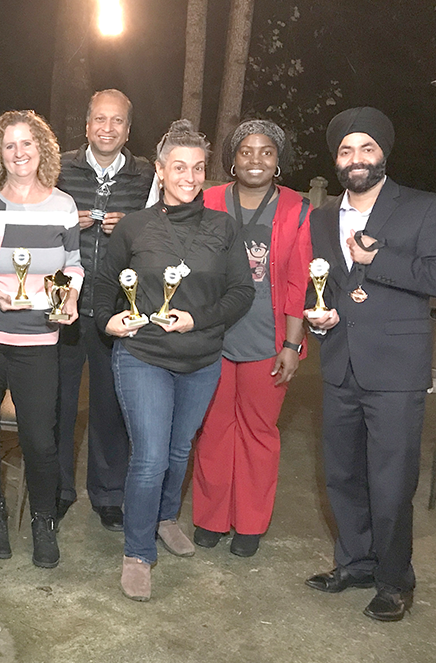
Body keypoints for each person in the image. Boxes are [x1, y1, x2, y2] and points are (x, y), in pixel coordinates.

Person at [94, 119, 254, 601]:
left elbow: (242, 291)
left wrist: (197, 319)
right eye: (178, 167)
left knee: (180, 449)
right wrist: (108, 320)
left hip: (201, 358)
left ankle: (165, 518)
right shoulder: (136, 226)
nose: (189, 176)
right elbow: (105, 284)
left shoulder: (223, 227)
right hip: (143, 354)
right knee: (151, 456)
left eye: (198, 168)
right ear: (160, 171)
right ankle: (138, 553)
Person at [302, 107, 436, 622]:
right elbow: (331, 288)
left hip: (397, 368)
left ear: (383, 153)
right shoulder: (321, 217)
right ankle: (355, 562)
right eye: (345, 150)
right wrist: (320, 319)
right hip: (340, 363)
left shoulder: (422, 208)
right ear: (336, 160)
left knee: (391, 480)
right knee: (341, 474)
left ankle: (394, 578)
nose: (356, 159)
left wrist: (377, 260)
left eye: (367, 148)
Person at [0, 110, 81, 568]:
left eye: (28, 143)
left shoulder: (63, 205)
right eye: (9, 145)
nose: (20, 152)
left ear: (42, 149)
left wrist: (68, 299)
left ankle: (43, 520)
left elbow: (73, 264)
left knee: (39, 439)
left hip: (38, 338)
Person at [190, 119, 312, 557]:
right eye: (246, 151)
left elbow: (299, 281)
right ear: (232, 159)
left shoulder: (298, 209)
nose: (255, 159)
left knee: (259, 432)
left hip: (268, 340)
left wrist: (292, 345)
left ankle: (250, 523)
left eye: (266, 152)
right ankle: (210, 517)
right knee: (214, 428)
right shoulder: (209, 200)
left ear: (278, 162)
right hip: (213, 339)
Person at [55, 89, 157, 530]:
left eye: (117, 121)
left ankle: (108, 493)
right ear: (87, 125)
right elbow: (34, 220)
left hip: (116, 304)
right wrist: (62, 221)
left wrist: (131, 228)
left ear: (128, 129)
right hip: (63, 300)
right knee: (58, 399)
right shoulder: (58, 166)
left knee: (110, 402)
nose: (107, 128)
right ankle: (57, 487)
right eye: (100, 119)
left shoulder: (146, 176)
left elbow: (158, 234)